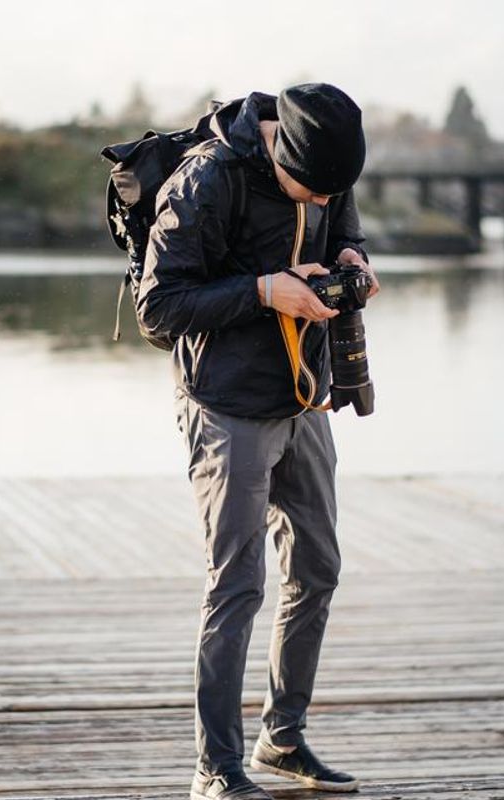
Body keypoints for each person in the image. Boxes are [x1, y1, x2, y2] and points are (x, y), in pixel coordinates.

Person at [137, 83, 380, 800]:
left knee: (318, 567)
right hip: (227, 403)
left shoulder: (327, 168)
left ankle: (284, 738)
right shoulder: (208, 181)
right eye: (307, 192)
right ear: (278, 150)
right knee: (237, 586)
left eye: (328, 196)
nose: (317, 204)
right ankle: (214, 769)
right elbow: (159, 310)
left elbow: (343, 233)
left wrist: (355, 263)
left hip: (305, 392)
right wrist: (265, 290)